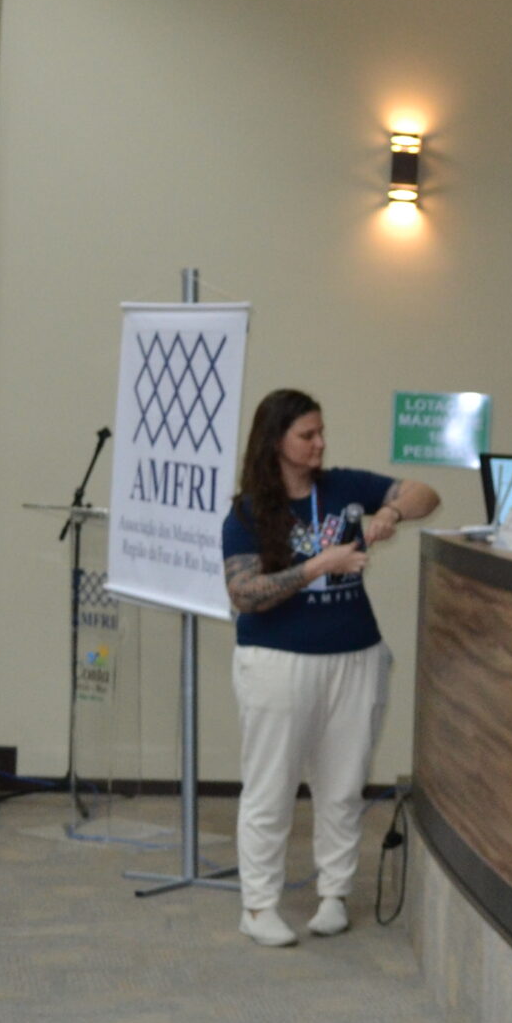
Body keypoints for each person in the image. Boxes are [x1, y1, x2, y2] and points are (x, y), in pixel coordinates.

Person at [221, 389, 440, 948]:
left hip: (355, 656)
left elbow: (425, 493)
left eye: (321, 433)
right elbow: (245, 594)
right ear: (276, 442)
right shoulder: (247, 511)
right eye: (307, 435)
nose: (320, 444)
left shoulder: (343, 487)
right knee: (271, 790)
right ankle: (259, 905)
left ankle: (334, 896)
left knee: (342, 786)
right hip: (277, 662)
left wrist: (388, 511)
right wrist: (322, 562)